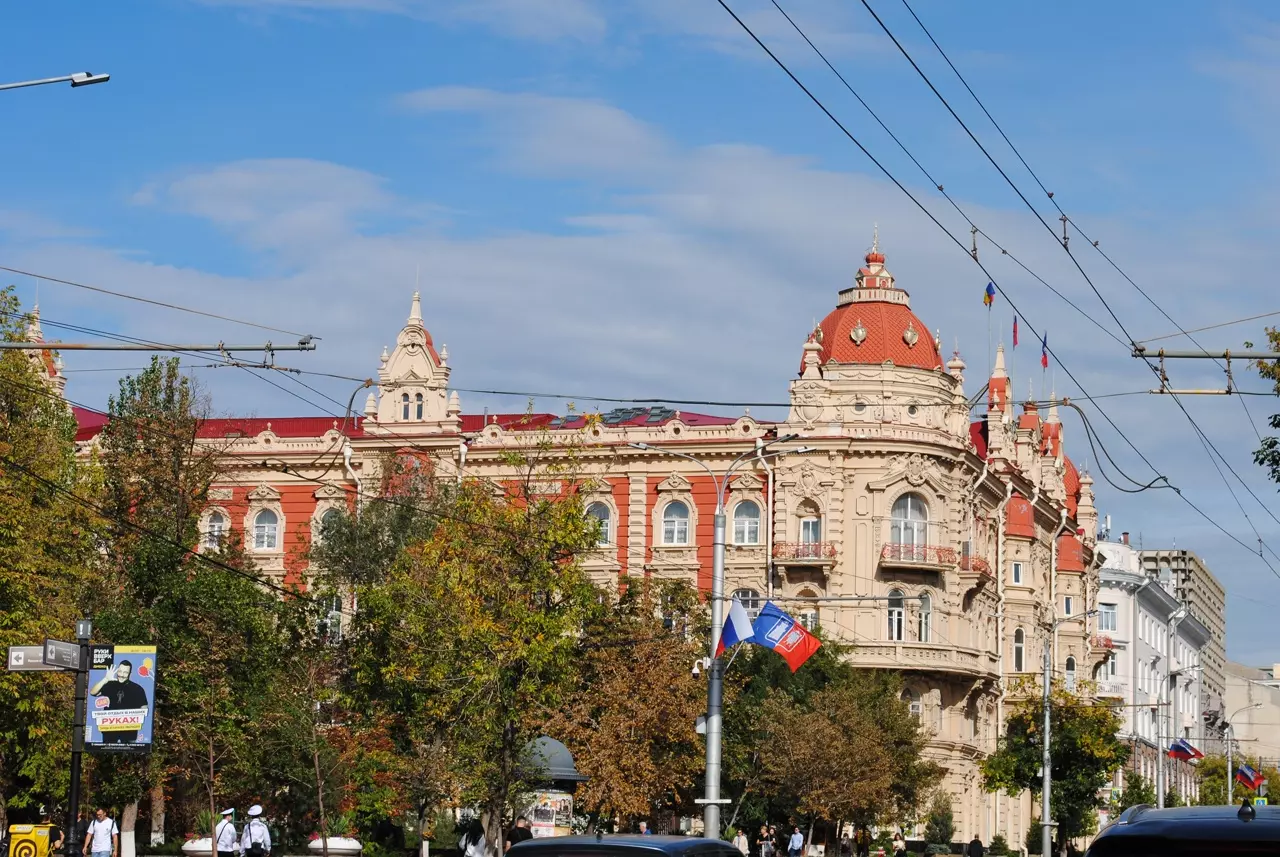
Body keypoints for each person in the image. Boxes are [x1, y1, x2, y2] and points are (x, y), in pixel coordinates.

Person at [88, 660, 149, 745]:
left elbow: (144, 708)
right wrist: (105, 679)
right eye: (120, 671)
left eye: (125, 672)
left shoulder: (137, 689)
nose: (121, 675)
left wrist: (134, 719)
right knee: (107, 752)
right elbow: (93, 692)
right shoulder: (110, 685)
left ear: (130, 673)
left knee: (129, 753)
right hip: (110, 729)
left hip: (129, 730)